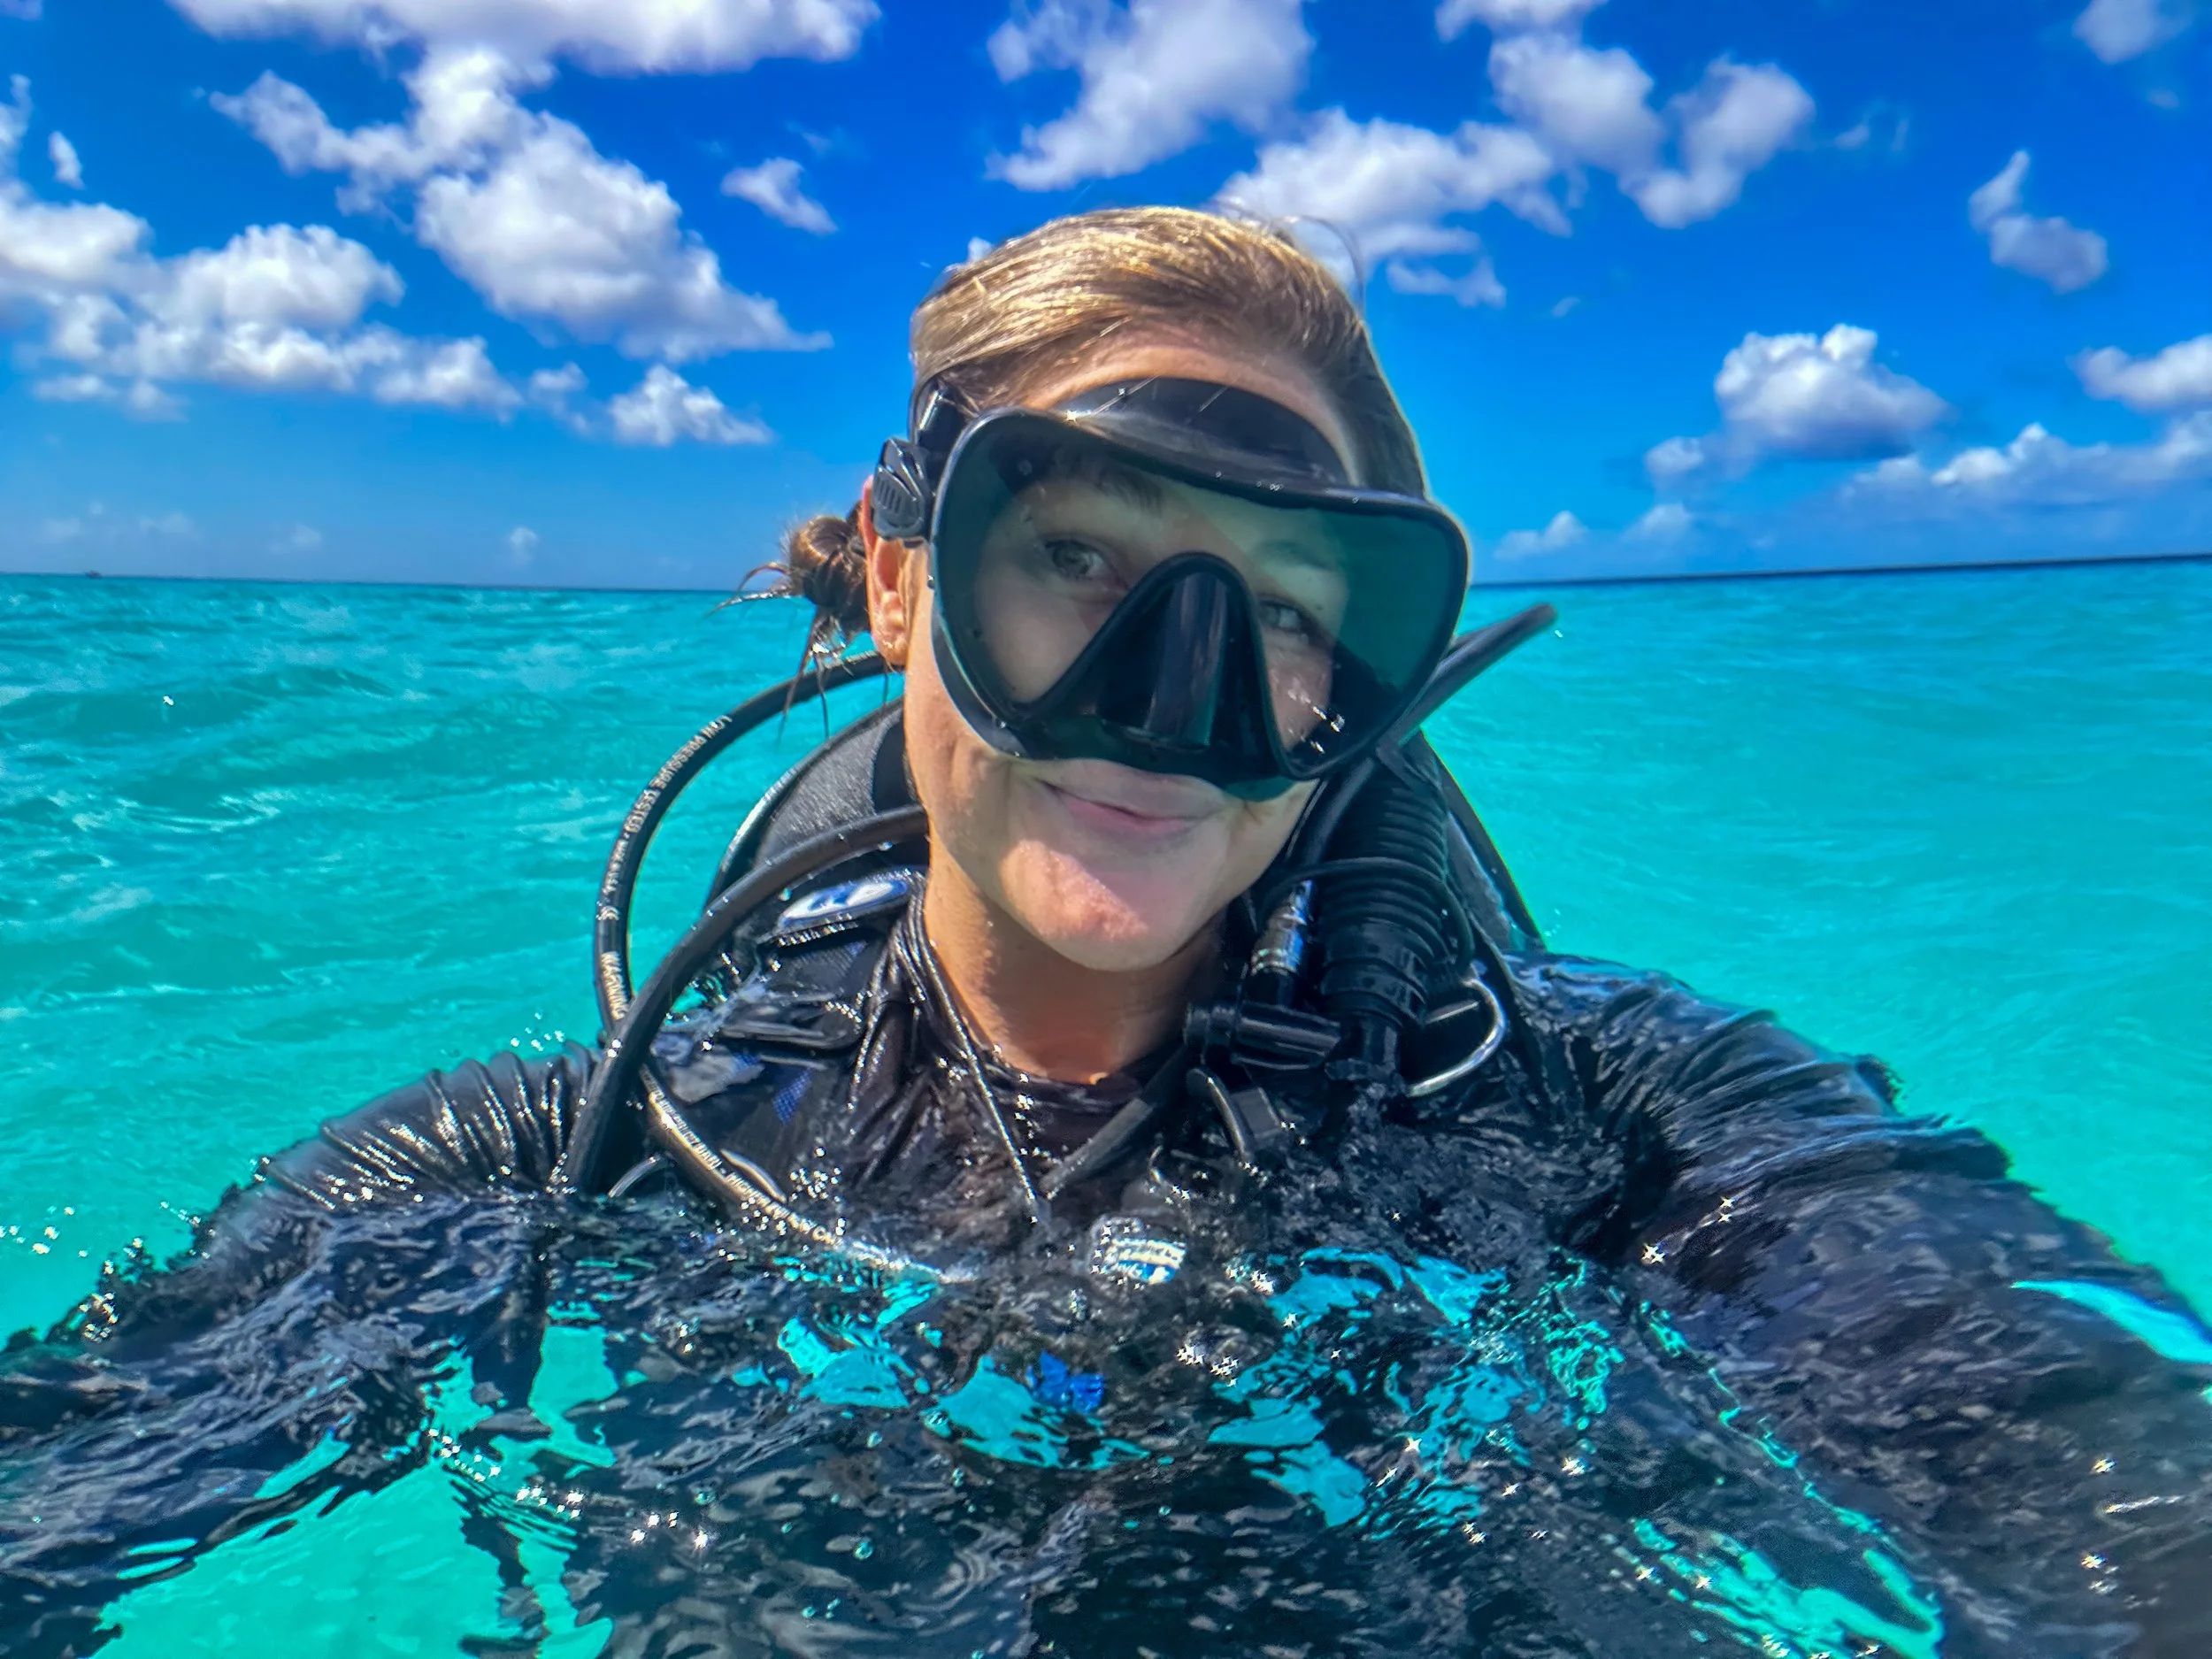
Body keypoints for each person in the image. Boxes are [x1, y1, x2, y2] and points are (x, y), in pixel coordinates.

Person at [4, 208, 2208, 1658]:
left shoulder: (1610, 1109)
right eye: (1082, 558)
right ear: (897, 577)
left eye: (1271, 610)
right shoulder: (591, 1148)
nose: (1178, 703)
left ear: (1367, 675)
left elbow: (2054, 1440)